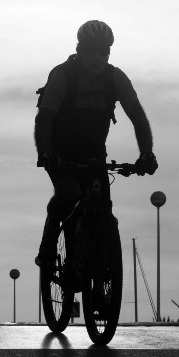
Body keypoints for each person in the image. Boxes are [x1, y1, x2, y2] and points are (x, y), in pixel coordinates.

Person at [34, 20, 158, 267]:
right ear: (79, 49)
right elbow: (45, 118)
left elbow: (138, 117)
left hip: (94, 155)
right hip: (60, 152)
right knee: (69, 193)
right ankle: (48, 244)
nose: (98, 57)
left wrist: (146, 153)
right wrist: (46, 152)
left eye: (104, 52)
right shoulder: (63, 76)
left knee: (104, 210)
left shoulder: (115, 78)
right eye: (92, 51)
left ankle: (101, 272)